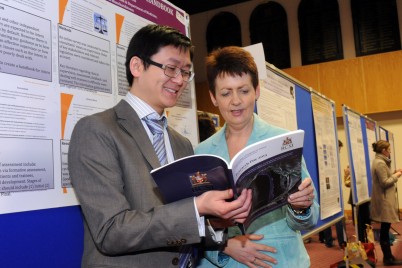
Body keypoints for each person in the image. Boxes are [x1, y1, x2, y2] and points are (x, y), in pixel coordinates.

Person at [68, 24, 253, 267]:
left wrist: (217, 223)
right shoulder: (97, 130)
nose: (179, 80)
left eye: (185, 72)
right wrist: (197, 208)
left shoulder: (182, 143)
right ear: (137, 66)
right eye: (170, 68)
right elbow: (111, 231)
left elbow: (185, 226)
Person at [195, 46, 319, 267]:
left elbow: (309, 218)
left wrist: (301, 206)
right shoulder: (201, 153)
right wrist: (224, 246)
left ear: (257, 91)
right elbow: (194, 225)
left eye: (243, 90)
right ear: (213, 97)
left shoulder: (283, 142)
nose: (236, 101)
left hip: (279, 259)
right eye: (225, 93)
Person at [370, 140, 402, 266]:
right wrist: (397, 175)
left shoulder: (380, 162)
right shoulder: (380, 163)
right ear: (383, 151)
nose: (389, 152)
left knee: (385, 229)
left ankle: (389, 257)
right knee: (384, 230)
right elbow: (384, 182)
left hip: (384, 199)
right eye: (388, 150)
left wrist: (393, 173)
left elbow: (384, 178)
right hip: (384, 201)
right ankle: (388, 258)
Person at [318, 140, 347, 249]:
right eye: (339, 149)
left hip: (326, 191)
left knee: (327, 217)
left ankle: (329, 241)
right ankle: (342, 242)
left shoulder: (323, 158)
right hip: (332, 191)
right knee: (338, 218)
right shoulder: (332, 160)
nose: (339, 152)